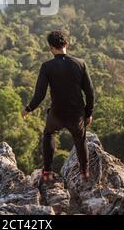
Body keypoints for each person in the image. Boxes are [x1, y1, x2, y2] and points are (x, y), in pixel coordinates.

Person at [22, 30, 94, 182]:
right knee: (80, 140)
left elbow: (40, 95)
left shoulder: (47, 67)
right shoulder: (80, 64)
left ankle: (47, 172)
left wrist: (28, 109)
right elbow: (90, 92)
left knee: (49, 134)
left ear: (50, 47)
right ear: (66, 44)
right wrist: (88, 114)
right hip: (76, 114)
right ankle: (84, 173)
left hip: (57, 113)